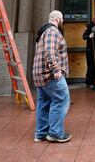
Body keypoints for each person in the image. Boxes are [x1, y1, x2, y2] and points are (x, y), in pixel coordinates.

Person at [32, 10, 71, 143]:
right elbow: (50, 51)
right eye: (63, 20)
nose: (63, 22)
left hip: (39, 75)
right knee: (62, 99)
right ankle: (55, 133)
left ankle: (40, 133)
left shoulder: (44, 31)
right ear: (58, 19)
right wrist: (56, 69)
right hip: (50, 75)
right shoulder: (52, 31)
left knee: (43, 103)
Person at [82, 15, 95, 89]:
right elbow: (84, 36)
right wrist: (89, 36)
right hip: (90, 50)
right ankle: (89, 81)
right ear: (93, 19)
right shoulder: (89, 26)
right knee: (91, 66)